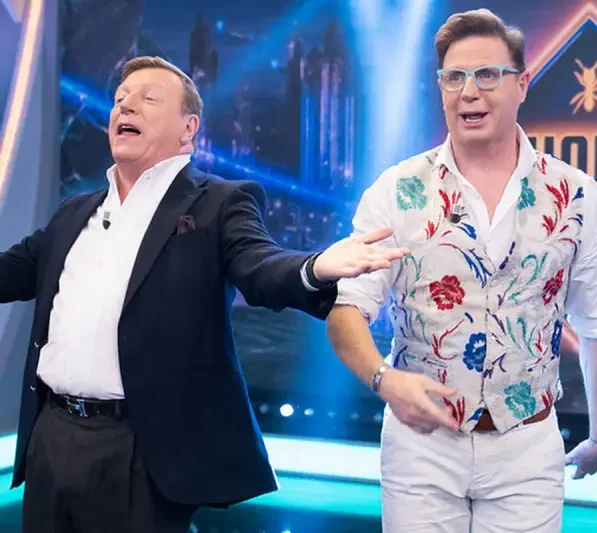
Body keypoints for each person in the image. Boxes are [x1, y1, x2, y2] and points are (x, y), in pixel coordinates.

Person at [2, 56, 408, 533]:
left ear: (188, 128)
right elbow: (10, 273)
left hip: (142, 450)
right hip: (52, 437)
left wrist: (314, 267)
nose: (125, 106)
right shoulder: (75, 212)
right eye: (120, 99)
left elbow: (259, 266)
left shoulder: (218, 203)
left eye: (148, 99)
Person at [327, 9, 597, 533]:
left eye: (487, 75)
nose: (469, 91)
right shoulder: (396, 190)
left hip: (527, 446)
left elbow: (595, 324)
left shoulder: (577, 196)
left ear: (522, 83)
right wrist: (385, 380)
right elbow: (345, 311)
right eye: (454, 77)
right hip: (421, 448)